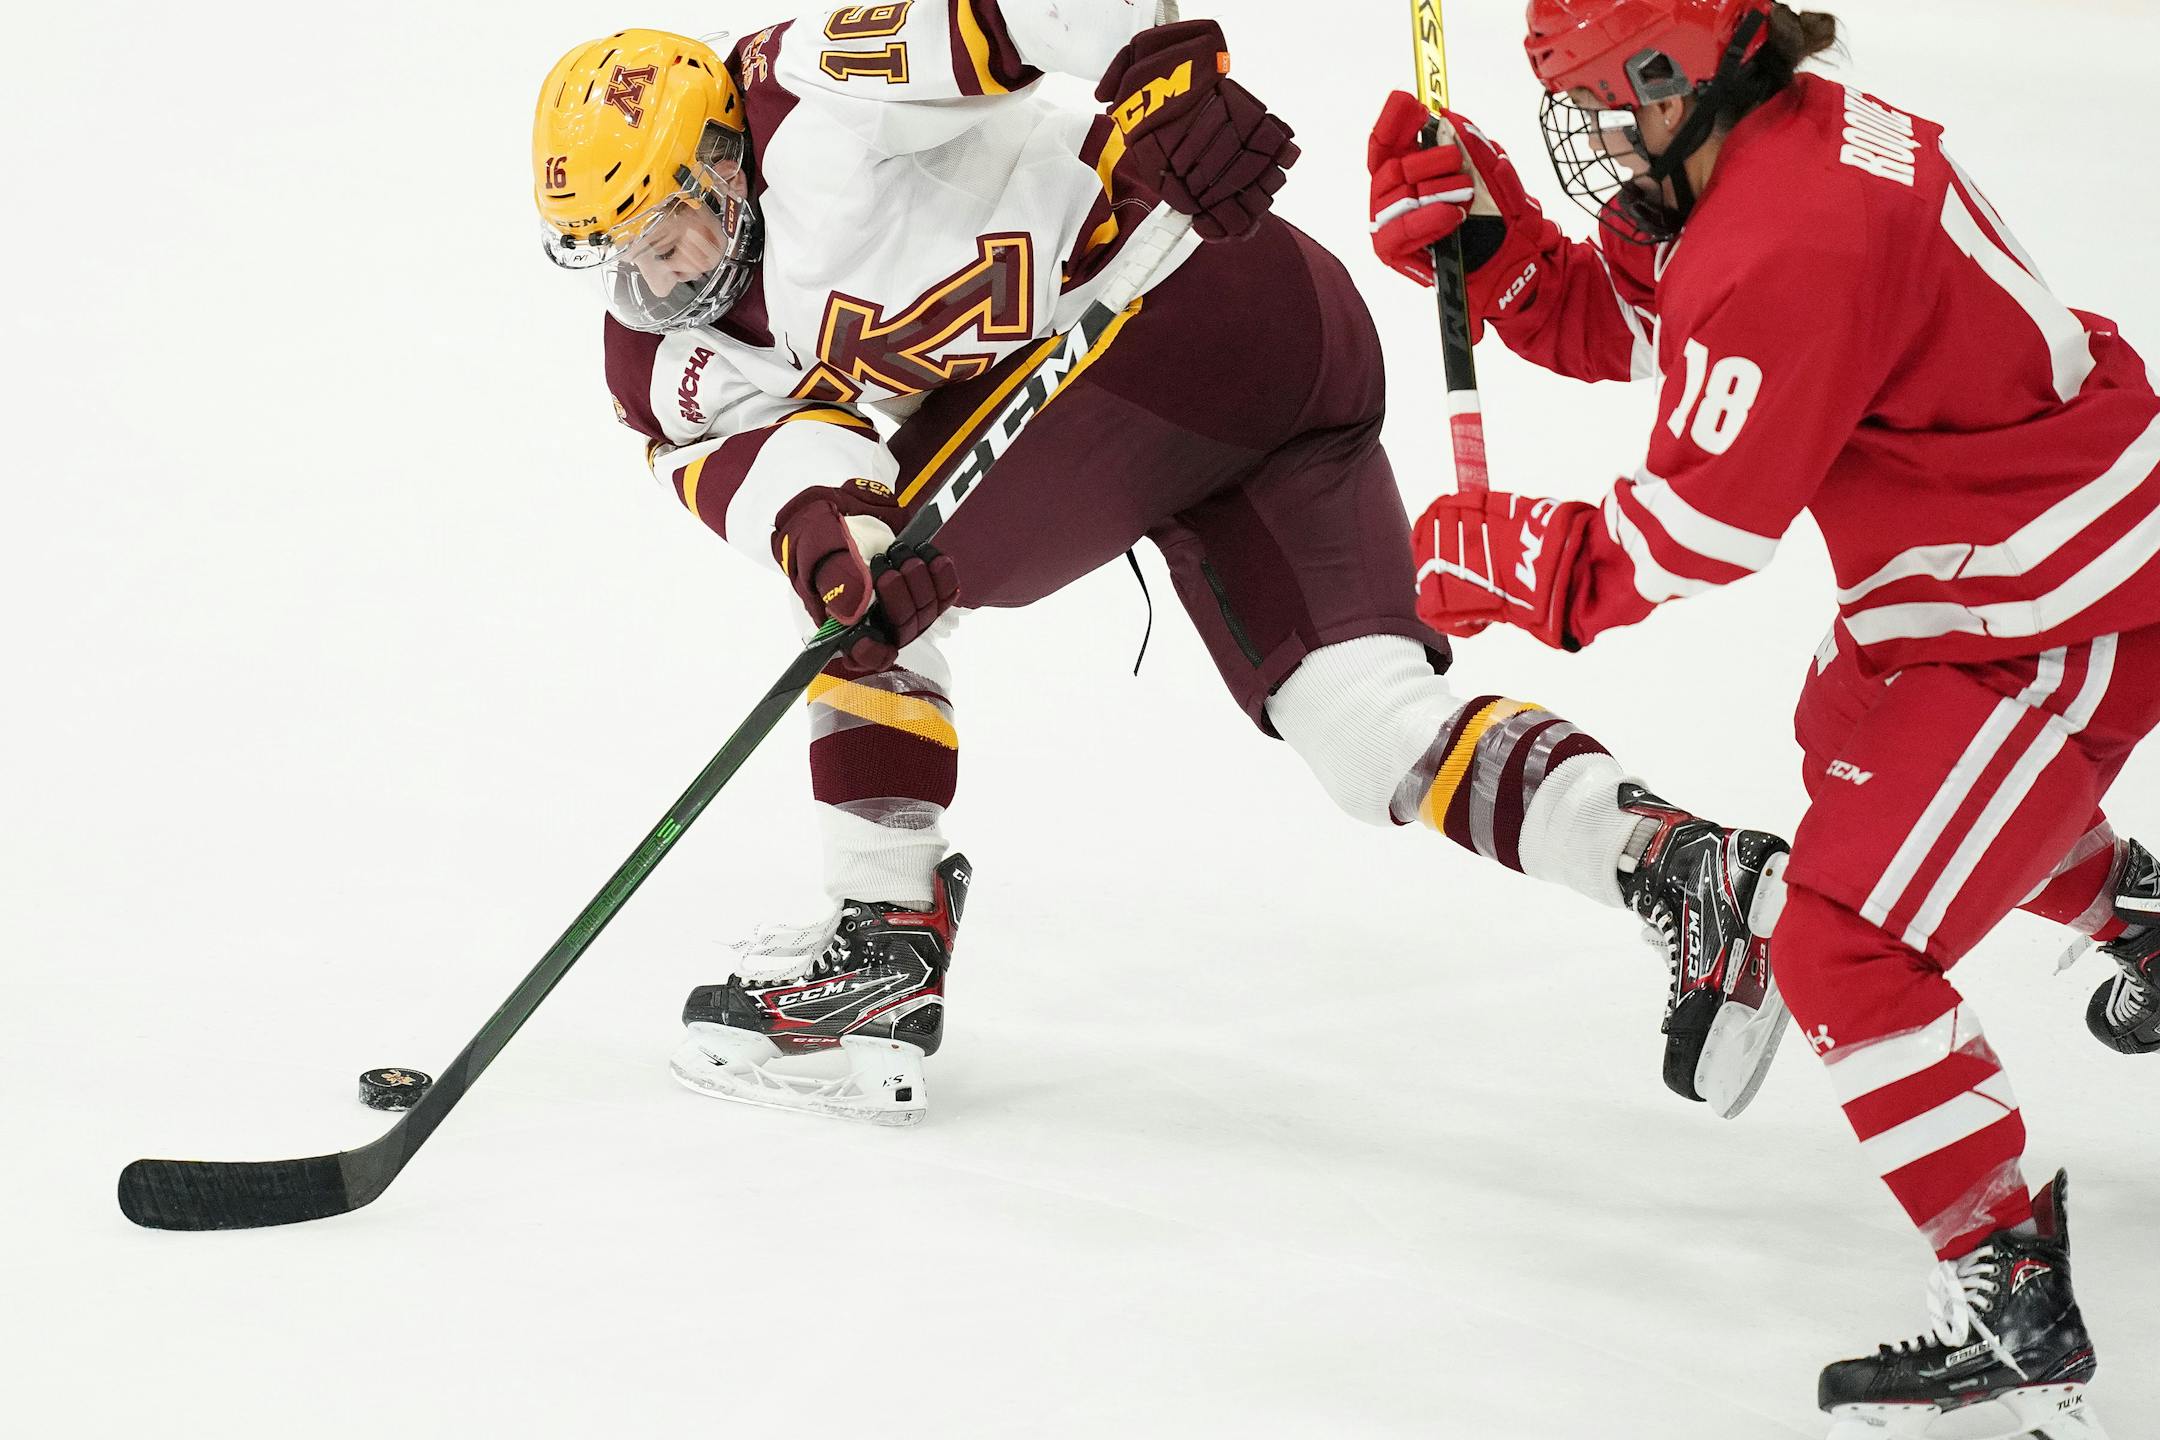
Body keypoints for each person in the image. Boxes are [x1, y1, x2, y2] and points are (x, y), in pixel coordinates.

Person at [527, 7, 1790, 1134]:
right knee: (1366, 733)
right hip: (1277, 354)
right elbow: (787, 475)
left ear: (718, 158)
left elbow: (1055, 12)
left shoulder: (815, 90)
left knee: (886, 593)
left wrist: (1161, 90)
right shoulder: (659, 360)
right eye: (622, 253)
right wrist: (838, 541)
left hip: (1185, 305)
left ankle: (885, 940)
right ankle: (1682, 868)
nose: (662, 273)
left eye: (667, 226)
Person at [1364, 1, 2159, 1433]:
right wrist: (1493, 251)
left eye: (1615, 103)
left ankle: (2015, 1308)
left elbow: (1687, 540)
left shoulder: (1793, 236)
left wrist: (1513, 559)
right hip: (1986, 576)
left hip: (2063, 614)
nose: (1601, 135)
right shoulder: (1765, 144)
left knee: (1843, 943)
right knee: (1849, 738)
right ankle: (2138, 917)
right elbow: (1646, 319)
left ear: (1682, 77)